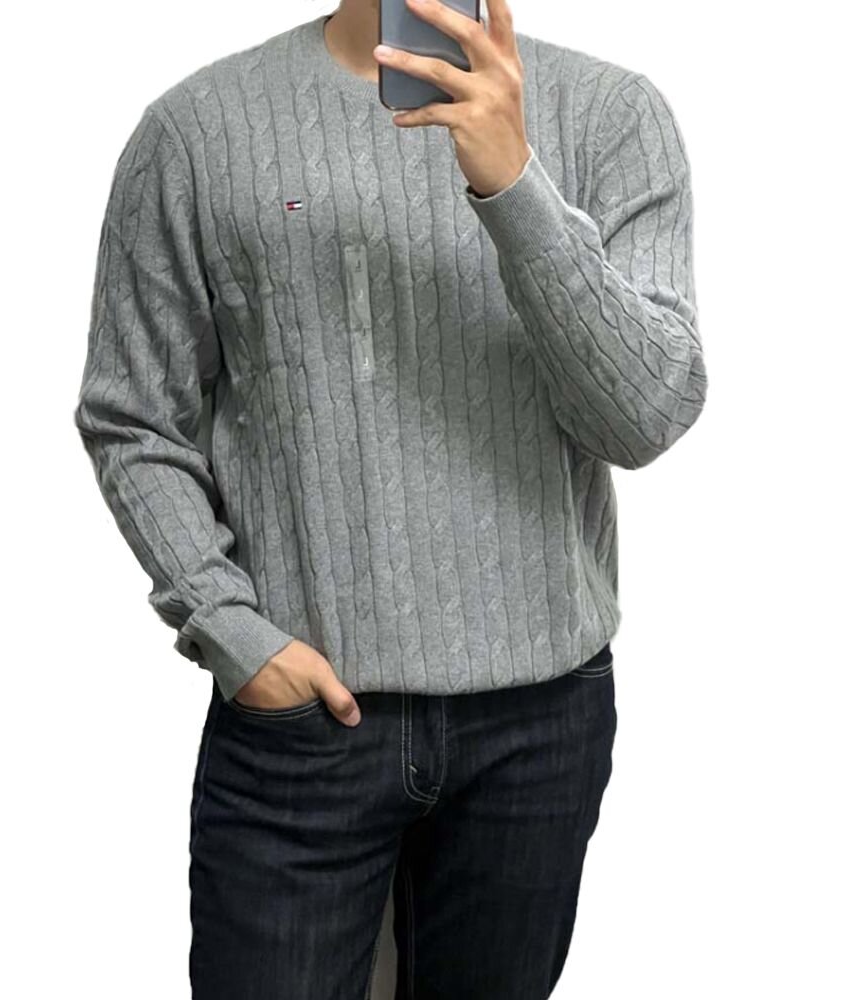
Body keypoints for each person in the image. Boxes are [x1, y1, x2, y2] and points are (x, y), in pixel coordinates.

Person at [72, 0, 707, 996]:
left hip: (538, 726)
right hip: (297, 727)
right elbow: (133, 417)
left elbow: (645, 417)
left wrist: (514, 184)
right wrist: (231, 630)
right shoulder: (196, 130)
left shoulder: (610, 115)